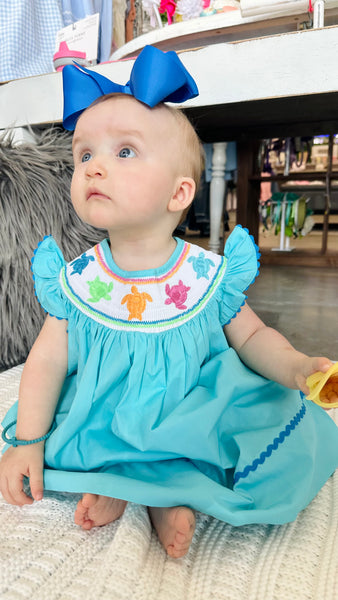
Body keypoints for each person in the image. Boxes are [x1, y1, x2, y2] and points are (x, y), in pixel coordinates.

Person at [1, 47, 338, 560]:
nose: (93, 169)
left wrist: (295, 367)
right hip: (109, 414)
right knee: (79, 436)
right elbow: (47, 359)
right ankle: (129, 486)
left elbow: (250, 337)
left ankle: (164, 494)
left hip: (187, 409)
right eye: (85, 155)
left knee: (227, 427)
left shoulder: (205, 275)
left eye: (125, 152)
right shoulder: (80, 279)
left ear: (179, 193)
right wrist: (27, 440)